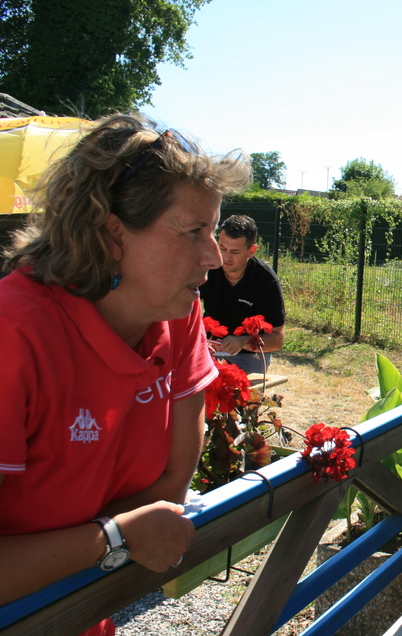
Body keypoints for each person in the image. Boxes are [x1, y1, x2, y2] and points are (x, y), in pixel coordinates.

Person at [0, 114, 249, 635]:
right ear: (112, 234)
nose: (213, 256)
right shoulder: (14, 335)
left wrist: (89, 545)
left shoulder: (176, 315)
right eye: (194, 231)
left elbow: (173, 484)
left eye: (214, 230)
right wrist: (113, 538)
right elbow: (141, 525)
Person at [199, 214, 285, 375]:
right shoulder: (207, 268)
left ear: (251, 251)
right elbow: (183, 309)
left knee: (242, 390)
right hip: (209, 348)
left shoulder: (266, 281)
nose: (226, 257)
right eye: (222, 248)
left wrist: (243, 342)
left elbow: (277, 339)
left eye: (235, 251)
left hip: (249, 354)